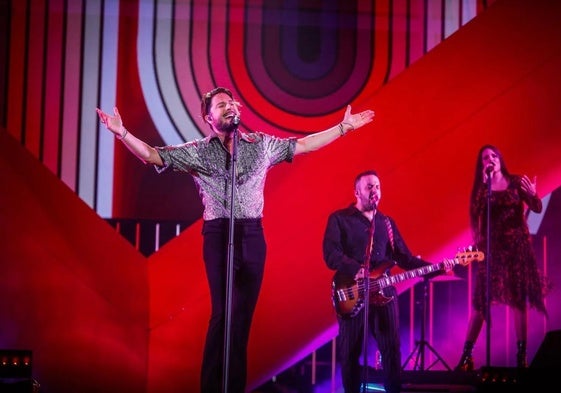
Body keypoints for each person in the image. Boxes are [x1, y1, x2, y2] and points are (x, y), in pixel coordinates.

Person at [96, 86, 375, 393]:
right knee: (223, 313)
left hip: (253, 235)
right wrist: (122, 133)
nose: (230, 107)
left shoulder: (260, 144)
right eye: (221, 105)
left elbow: (304, 144)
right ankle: (212, 387)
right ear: (208, 117)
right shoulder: (199, 151)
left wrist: (342, 128)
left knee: (242, 321)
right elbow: (153, 155)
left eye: (232, 102)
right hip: (218, 234)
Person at [323, 170, 448, 393]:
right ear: (357, 192)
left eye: (378, 186)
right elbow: (330, 254)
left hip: (383, 293)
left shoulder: (387, 223)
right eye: (369, 186)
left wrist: (437, 268)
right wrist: (356, 269)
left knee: (391, 349)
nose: (375, 191)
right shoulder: (339, 219)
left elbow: (406, 259)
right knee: (349, 352)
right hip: (352, 292)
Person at [454, 144, 549, 371]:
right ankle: (467, 356)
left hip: (517, 251)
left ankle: (521, 357)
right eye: (486, 158)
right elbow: (476, 218)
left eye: (494, 156)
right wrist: (485, 189)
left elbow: (536, 208)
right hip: (492, 252)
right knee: (480, 303)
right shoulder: (481, 190)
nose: (491, 159)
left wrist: (534, 194)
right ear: (482, 165)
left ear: (500, 159)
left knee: (518, 302)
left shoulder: (516, 182)